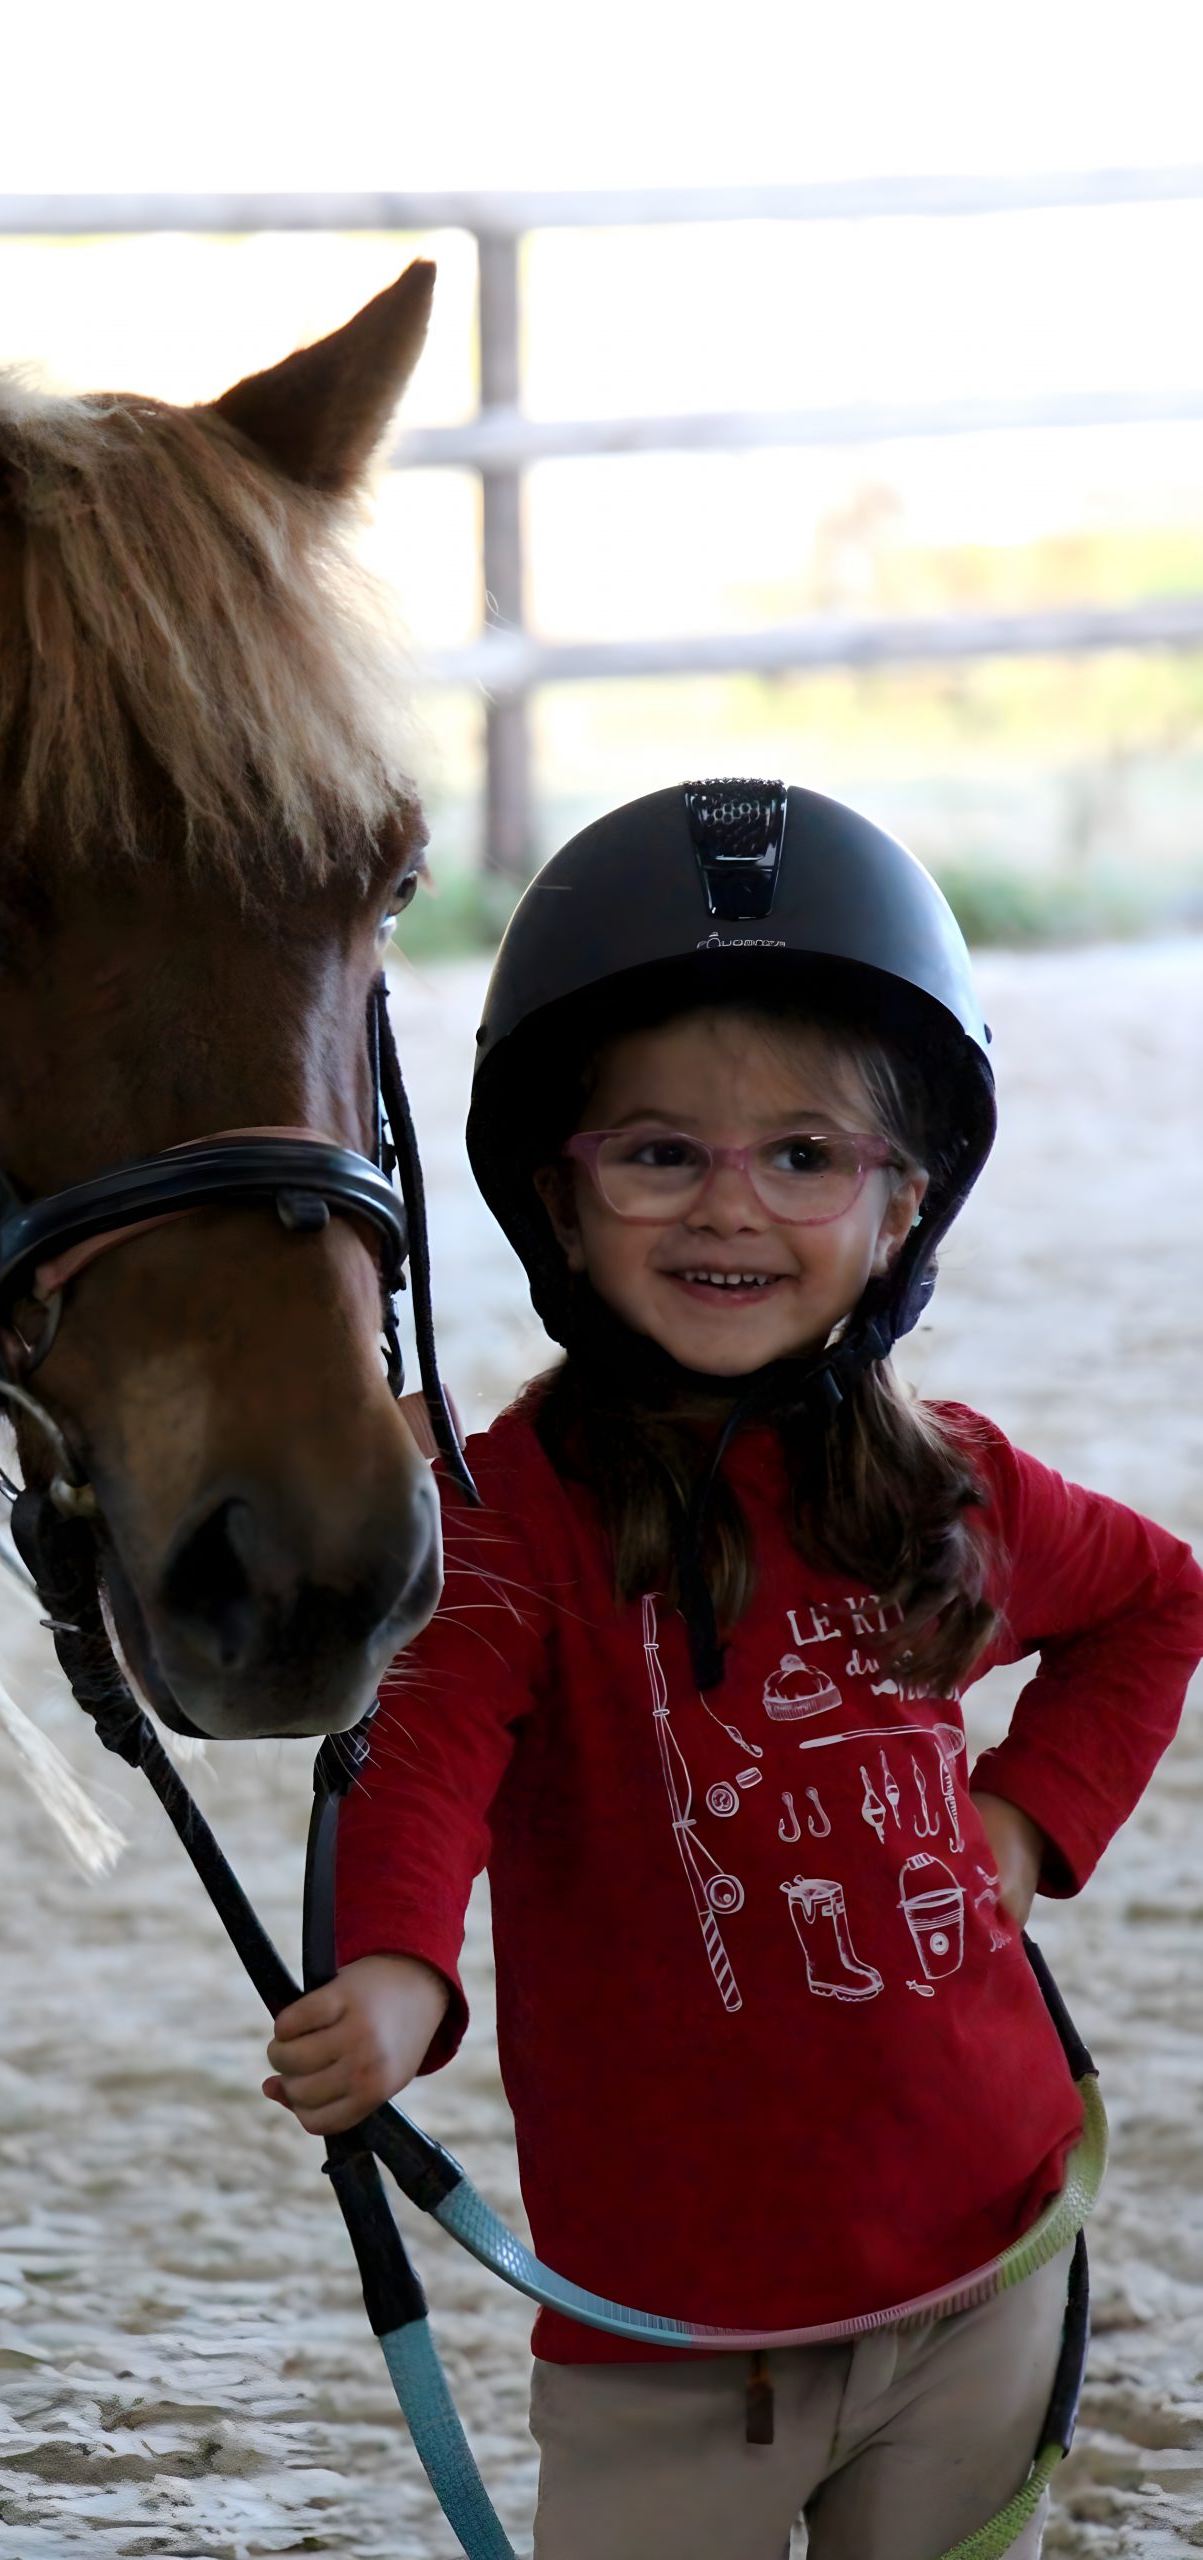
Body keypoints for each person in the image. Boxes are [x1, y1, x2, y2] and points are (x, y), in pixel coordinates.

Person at [262, 782, 1203, 2560]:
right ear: (561, 1190)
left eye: (802, 1156)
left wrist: (1023, 1823)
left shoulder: (952, 1487)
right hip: (670, 2354)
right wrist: (394, 1974)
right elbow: (434, 1752)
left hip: (982, 2274)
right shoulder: (514, 1518)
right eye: (660, 1153)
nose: (733, 1210)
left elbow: (1158, 1603)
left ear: (901, 1203)